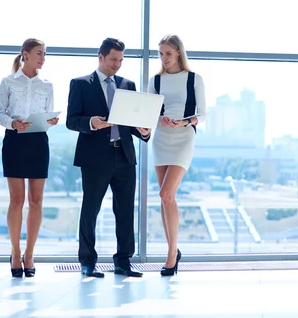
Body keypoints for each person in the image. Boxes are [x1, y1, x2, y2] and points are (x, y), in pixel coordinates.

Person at [67, 37, 151, 278]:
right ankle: (87, 262)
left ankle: (123, 262)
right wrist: (91, 123)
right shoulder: (81, 84)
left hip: (124, 155)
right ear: (101, 57)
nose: (117, 64)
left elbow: (131, 122)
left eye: (121, 60)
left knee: (125, 211)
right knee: (90, 210)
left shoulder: (127, 84)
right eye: (114, 59)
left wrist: (143, 131)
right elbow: (72, 120)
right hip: (95, 157)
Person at [0, 38, 58, 278]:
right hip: (14, 140)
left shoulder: (47, 84)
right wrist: (13, 123)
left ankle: (29, 254)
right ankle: (15, 251)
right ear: (26, 54)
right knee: (16, 200)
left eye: (44, 54)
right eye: (39, 53)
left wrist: (51, 121)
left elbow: (48, 116)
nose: (43, 58)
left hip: (38, 141)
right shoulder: (8, 81)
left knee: (36, 200)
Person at [148, 34, 206, 276]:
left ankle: (172, 253)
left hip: (183, 137)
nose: (164, 58)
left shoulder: (194, 79)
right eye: (161, 54)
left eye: (168, 54)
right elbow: (147, 112)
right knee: (165, 198)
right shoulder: (156, 80)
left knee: (166, 192)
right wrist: (160, 118)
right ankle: (172, 249)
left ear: (179, 53)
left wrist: (184, 121)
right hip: (161, 138)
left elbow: (202, 114)